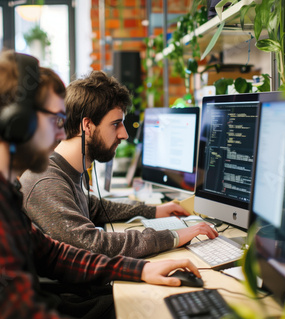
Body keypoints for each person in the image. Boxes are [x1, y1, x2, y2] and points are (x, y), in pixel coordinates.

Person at [0, 51, 213, 319]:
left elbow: (52, 254)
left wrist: (141, 268)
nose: (63, 133)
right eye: (56, 120)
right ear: (18, 125)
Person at [20, 71, 218, 258]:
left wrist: (153, 211)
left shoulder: (68, 169)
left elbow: (93, 207)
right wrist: (173, 236)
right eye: (116, 124)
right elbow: (91, 243)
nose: (124, 134)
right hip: (71, 293)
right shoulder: (46, 181)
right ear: (87, 125)